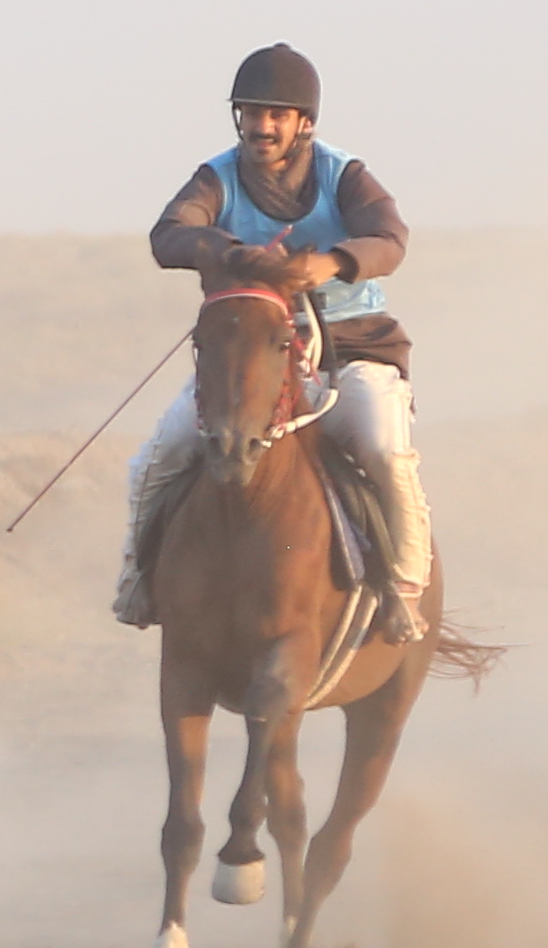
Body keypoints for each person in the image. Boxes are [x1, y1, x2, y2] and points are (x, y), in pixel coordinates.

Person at [120, 40, 433, 638]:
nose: (260, 127)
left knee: (383, 448)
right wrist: (228, 251)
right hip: (250, 352)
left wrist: (331, 263)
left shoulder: (344, 176)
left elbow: (390, 239)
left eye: (275, 115)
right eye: (250, 113)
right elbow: (170, 234)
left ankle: (403, 586)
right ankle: (137, 580)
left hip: (348, 348)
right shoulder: (216, 177)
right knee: (159, 456)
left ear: (303, 123)